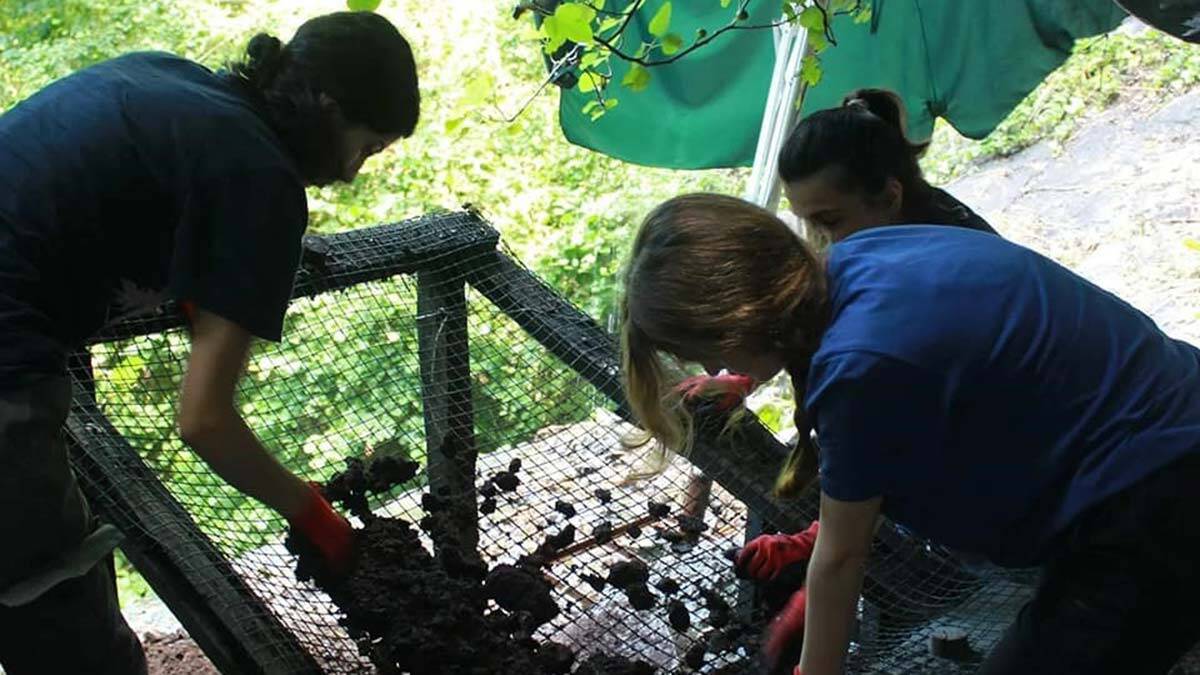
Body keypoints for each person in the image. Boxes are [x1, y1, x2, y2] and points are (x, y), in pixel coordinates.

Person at [620, 193, 1200, 675]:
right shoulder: (859, 257)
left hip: (1158, 495)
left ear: (739, 320)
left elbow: (842, 558)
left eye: (706, 350)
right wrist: (752, 373)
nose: (709, 368)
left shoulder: (856, 370)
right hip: (1171, 424)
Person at [0, 12, 419, 673]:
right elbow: (203, 420)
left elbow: (112, 202)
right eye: (366, 148)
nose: (353, 174)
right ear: (329, 109)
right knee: (60, 610)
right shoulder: (260, 177)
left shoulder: (173, 79)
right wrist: (316, 517)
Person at [779, 88, 995, 245]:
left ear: (890, 198)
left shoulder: (949, 263)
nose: (819, 244)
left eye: (830, 221)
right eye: (808, 225)